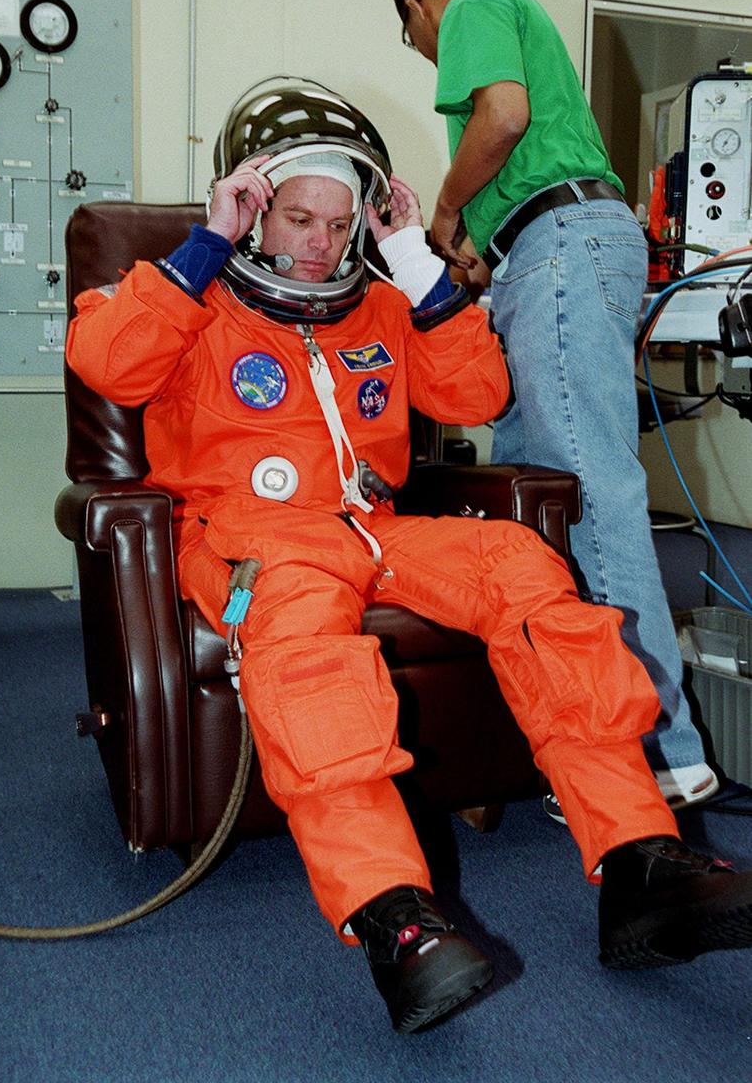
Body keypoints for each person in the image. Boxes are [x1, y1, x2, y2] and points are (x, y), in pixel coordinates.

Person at [66, 80, 752, 1034]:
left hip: (374, 530)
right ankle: (395, 917)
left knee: (525, 575)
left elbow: (474, 394)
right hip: (252, 539)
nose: (317, 240)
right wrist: (204, 246)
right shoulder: (189, 299)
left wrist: (410, 260)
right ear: (253, 208)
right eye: (297, 217)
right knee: (311, 658)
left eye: (336, 223)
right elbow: (108, 364)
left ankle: (640, 861)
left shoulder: (382, 307)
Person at [392, 0, 717, 808]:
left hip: (562, 247)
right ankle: (576, 730)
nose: (427, 58)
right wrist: (481, 260)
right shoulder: (511, 21)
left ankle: (657, 747)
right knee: (526, 508)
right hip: (547, 253)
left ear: (417, 10)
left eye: (411, 41)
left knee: (587, 492)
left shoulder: (471, 5)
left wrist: (449, 209)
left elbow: (499, 116)